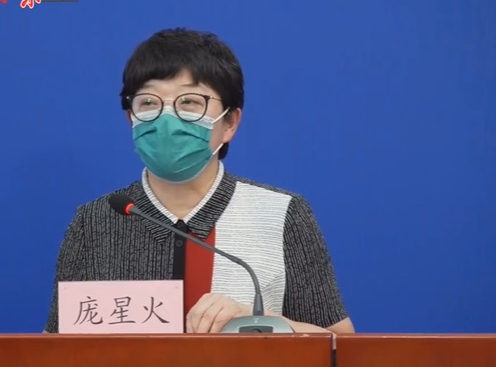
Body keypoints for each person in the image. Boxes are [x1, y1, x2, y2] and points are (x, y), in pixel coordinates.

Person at [43, 27, 355, 335]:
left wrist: (261, 320)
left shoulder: (282, 214)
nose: (167, 119)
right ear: (131, 119)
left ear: (230, 122)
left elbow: (340, 346)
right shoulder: (94, 222)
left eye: (189, 102)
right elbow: (53, 350)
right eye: (148, 103)